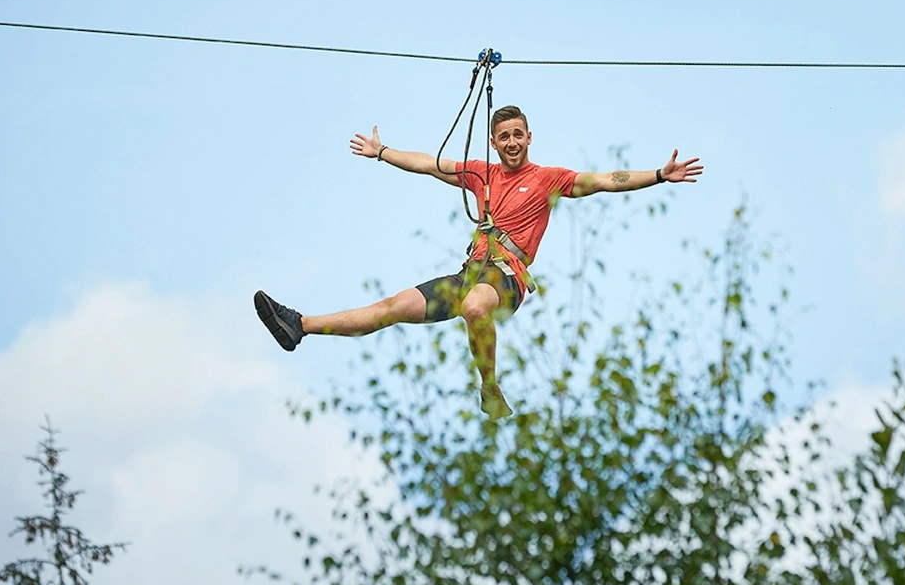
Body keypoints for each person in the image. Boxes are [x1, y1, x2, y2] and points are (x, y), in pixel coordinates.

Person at [254, 105, 703, 418]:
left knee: (474, 307)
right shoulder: (481, 174)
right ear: (494, 142)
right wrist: (383, 152)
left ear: (529, 137)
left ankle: (489, 388)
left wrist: (658, 175)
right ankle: (300, 324)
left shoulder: (548, 179)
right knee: (392, 307)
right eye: (504, 137)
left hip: (506, 278)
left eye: (518, 135)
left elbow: (606, 179)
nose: (512, 142)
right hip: (469, 273)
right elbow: (429, 164)